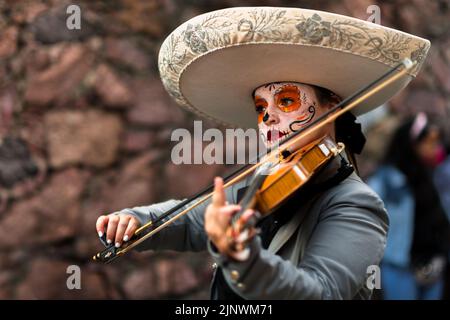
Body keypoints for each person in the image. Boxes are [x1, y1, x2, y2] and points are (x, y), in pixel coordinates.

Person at [94, 7, 430, 299]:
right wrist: (139, 220)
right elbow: (192, 220)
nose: (268, 118)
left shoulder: (356, 204)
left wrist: (243, 257)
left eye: (286, 101)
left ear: (331, 107)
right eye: (260, 107)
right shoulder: (265, 179)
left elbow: (319, 291)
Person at [368, 113, 449, 299]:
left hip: (432, 263)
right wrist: (372, 277)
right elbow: (369, 226)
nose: (433, 148)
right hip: (399, 265)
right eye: (428, 142)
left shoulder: (435, 176)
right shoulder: (387, 180)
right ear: (411, 144)